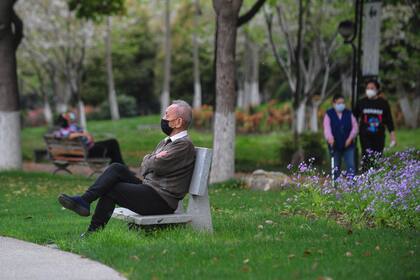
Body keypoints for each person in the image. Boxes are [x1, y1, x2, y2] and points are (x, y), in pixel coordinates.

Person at [58, 100, 196, 236]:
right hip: (150, 189)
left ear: (178, 122)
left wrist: (151, 159)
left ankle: (92, 233)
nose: (163, 119)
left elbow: (156, 166)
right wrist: (153, 158)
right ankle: (85, 200)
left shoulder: (183, 145)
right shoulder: (166, 142)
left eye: (167, 115)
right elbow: (144, 168)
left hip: (161, 200)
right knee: (117, 167)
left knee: (113, 189)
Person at [354, 79, 396, 171]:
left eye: (372, 88)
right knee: (366, 156)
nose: (369, 90)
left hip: (379, 135)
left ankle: (376, 176)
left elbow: (389, 121)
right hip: (365, 135)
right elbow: (354, 117)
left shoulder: (383, 103)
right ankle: (365, 177)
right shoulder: (361, 102)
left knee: (377, 156)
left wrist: (393, 136)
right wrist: (354, 131)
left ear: (377, 90)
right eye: (368, 88)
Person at [55, 112, 125, 165]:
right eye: (67, 116)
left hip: (88, 148)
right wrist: (82, 134)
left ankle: (119, 167)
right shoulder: (63, 131)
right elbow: (68, 136)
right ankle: (121, 168)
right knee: (112, 144)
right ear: (64, 119)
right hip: (87, 152)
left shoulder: (70, 128)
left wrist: (87, 135)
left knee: (112, 142)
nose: (69, 116)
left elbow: (85, 134)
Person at [323, 94, 358, 179]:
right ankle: (336, 184)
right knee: (335, 166)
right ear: (334, 103)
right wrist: (330, 138)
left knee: (351, 165)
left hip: (348, 144)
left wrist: (350, 138)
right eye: (339, 103)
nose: (341, 105)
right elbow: (327, 128)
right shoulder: (329, 114)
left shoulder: (349, 113)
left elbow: (355, 127)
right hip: (334, 144)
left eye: (343, 102)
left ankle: (352, 184)